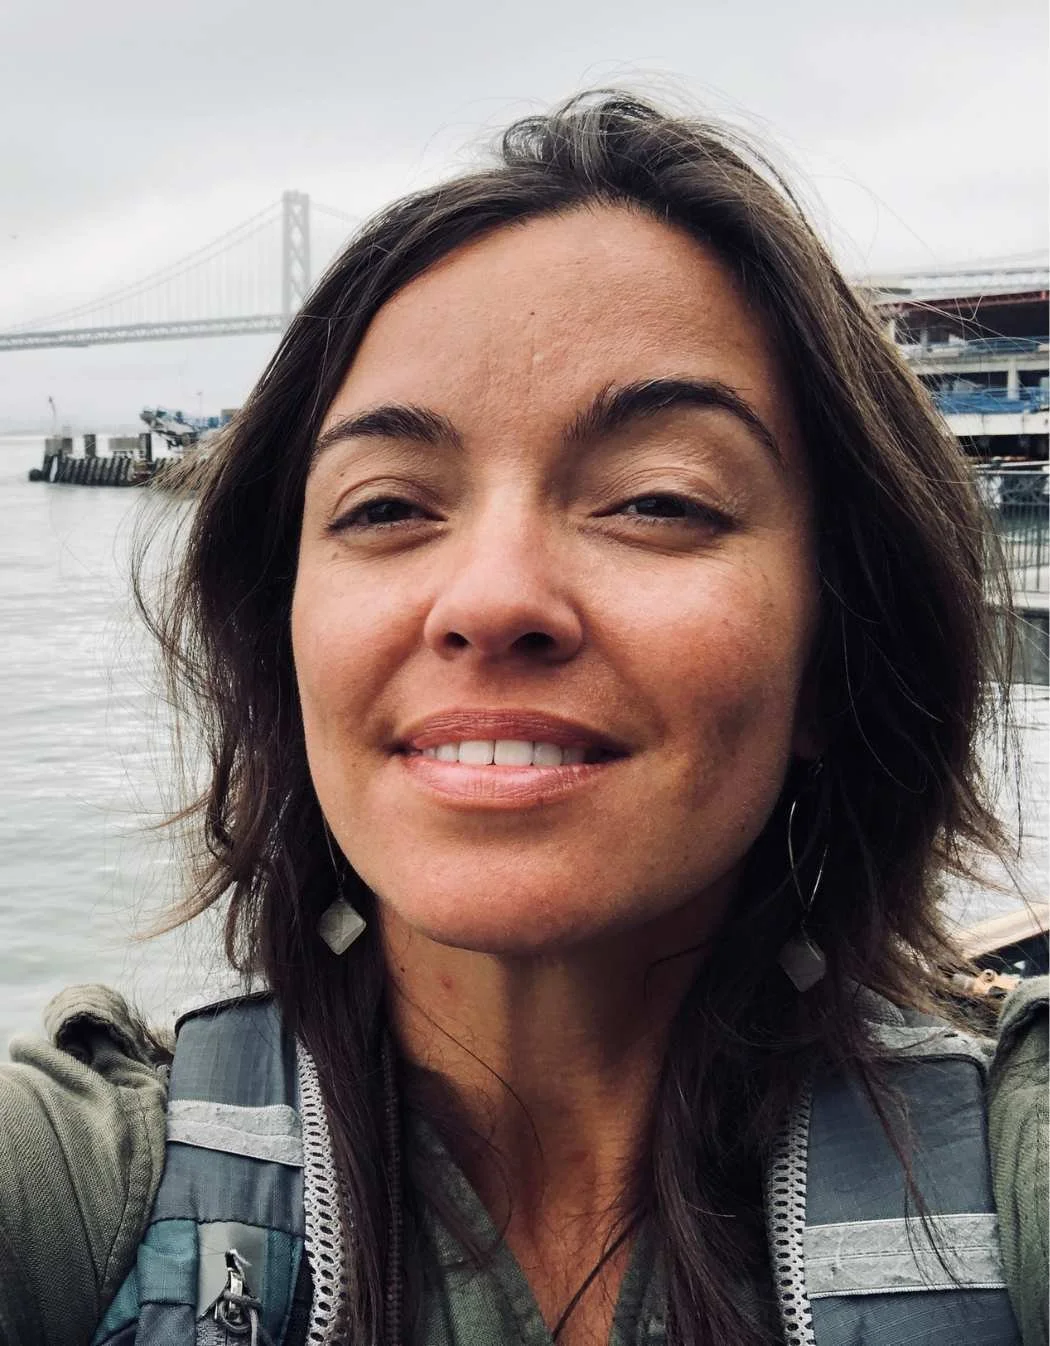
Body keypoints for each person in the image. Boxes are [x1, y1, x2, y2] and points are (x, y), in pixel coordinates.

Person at [1, 92, 1046, 1346]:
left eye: (659, 499)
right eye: (385, 507)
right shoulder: (75, 1187)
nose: (491, 598)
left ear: (834, 649)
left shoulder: (1009, 1173)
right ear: (286, 642)